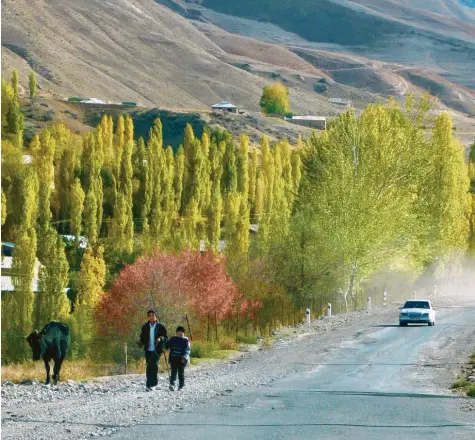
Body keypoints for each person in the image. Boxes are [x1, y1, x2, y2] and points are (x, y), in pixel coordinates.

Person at [138, 309, 168, 391]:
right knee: (148, 366)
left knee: (154, 365)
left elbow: (165, 338)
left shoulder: (161, 326)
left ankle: (154, 384)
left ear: (156, 316)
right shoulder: (145, 327)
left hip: (157, 349)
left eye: (153, 315)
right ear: (148, 317)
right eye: (150, 316)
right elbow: (142, 338)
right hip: (148, 349)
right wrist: (140, 343)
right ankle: (148, 384)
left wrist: (160, 339)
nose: (151, 317)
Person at [166, 325, 191, 391]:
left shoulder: (186, 340)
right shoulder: (173, 339)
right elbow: (167, 345)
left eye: (182, 332)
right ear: (176, 333)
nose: (180, 334)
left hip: (181, 360)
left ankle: (181, 386)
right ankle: (172, 384)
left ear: (184, 333)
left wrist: (185, 357)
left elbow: (187, 350)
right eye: (179, 332)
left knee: (181, 373)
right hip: (173, 358)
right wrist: (163, 345)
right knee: (173, 373)